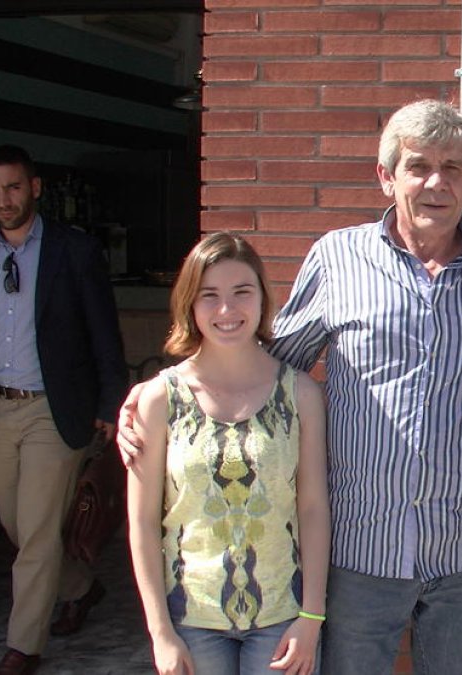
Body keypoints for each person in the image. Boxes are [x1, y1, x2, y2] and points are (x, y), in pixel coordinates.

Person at [120, 99, 462, 674]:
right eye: (417, 166)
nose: (436, 182)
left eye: (453, 167)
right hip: (358, 551)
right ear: (386, 177)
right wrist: (165, 392)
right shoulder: (339, 258)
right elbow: (266, 364)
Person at [127, 232, 329, 675]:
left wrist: (311, 617)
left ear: (262, 298)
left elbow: (313, 508)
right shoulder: (160, 398)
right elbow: (142, 522)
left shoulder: (300, 393)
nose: (226, 310)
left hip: (281, 614)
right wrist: (160, 631)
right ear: (189, 304)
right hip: (191, 617)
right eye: (209, 296)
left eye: (242, 292)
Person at [0, 145, 128, 675]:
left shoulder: (73, 250)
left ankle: (24, 646)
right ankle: (82, 587)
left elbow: (102, 332)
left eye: (14, 187)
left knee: (39, 531)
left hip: (54, 409)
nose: (4, 200)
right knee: (20, 528)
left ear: (35, 188)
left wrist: (109, 402)